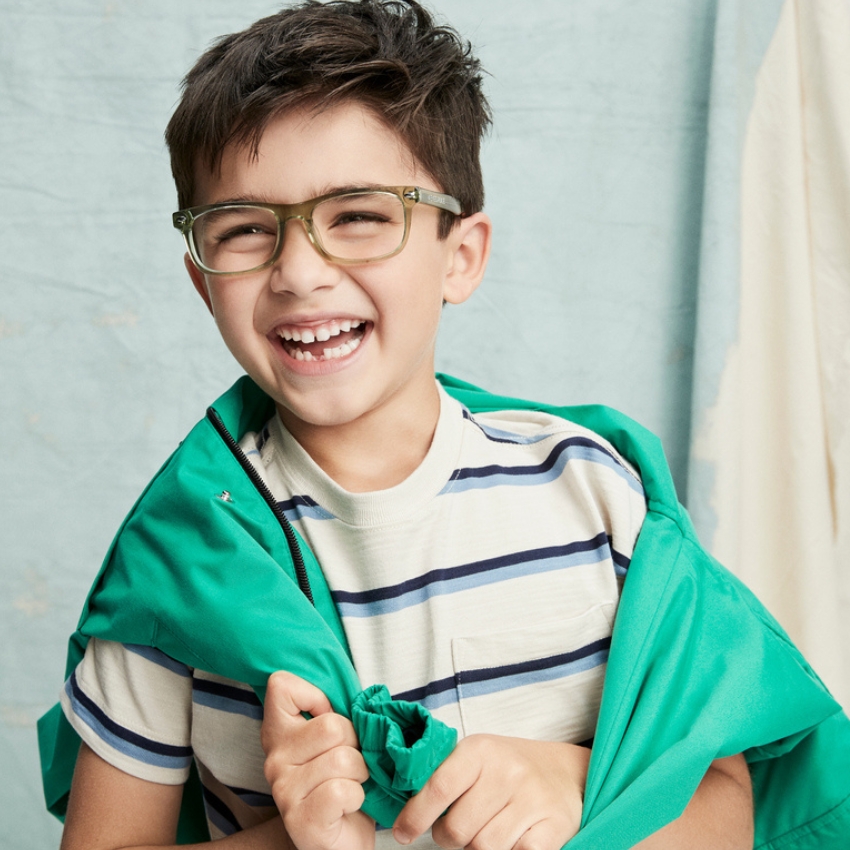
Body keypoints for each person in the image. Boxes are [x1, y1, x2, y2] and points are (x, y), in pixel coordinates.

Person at [38, 2, 850, 849]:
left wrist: (575, 780)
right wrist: (294, 840)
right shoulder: (178, 564)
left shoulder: (595, 497)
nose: (301, 272)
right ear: (204, 282)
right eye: (245, 230)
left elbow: (730, 806)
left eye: (358, 215)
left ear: (460, 255)